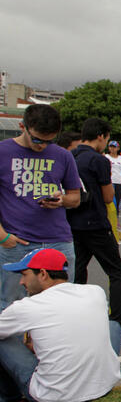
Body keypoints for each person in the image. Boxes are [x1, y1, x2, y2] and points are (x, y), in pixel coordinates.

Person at [0, 249, 120, 402]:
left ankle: (10, 400)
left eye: (24, 275)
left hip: (52, 399)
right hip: (103, 388)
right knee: (113, 326)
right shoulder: (95, 292)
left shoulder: (27, 306)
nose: (21, 282)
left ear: (43, 274)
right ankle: (96, 378)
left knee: (3, 339)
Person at [0, 104, 82, 312]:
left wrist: (62, 200)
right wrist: (2, 236)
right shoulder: (3, 152)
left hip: (58, 240)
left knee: (61, 304)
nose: (43, 146)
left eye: (49, 141)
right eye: (37, 140)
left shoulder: (63, 156)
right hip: (17, 242)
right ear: (23, 127)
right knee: (12, 305)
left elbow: (75, 198)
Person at [68, 117, 121, 332]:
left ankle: (76, 315)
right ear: (101, 136)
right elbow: (108, 196)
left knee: (77, 270)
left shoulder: (69, 156)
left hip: (73, 222)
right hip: (96, 223)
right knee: (116, 271)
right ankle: (117, 319)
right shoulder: (99, 160)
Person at [104, 139, 121, 221]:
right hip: (110, 182)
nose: (112, 149)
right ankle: (109, 220)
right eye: (110, 147)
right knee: (111, 202)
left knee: (118, 202)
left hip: (120, 182)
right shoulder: (106, 157)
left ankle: (116, 220)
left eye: (114, 147)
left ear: (118, 148)